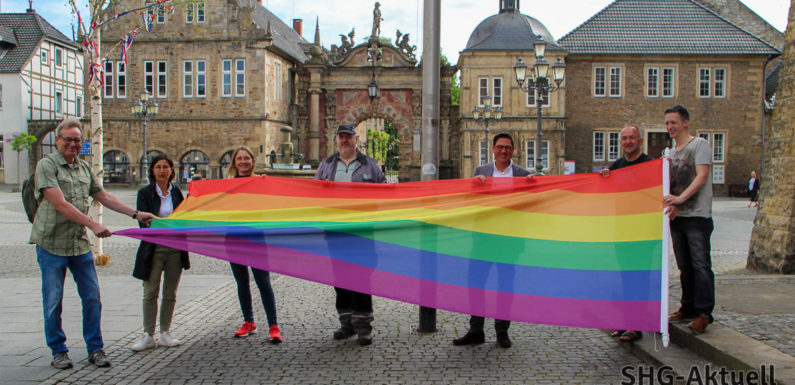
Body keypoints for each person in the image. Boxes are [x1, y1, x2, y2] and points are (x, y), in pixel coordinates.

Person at [30, 118, 157, 369]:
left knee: (92, 298)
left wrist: (135, 214)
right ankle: (58, 350)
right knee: (53, 300)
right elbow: (59, 204)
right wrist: (93, 224)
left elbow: (102, 195)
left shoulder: (84, 169)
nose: (73, 144)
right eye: (68, 139)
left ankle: (95, 349)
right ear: (57, 141)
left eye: (77, 140)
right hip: (51, 244)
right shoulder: (47, 166)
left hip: (78, 245)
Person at [452, 133, 531, 349]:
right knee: (476, 284)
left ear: (513, 150)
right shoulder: (481, 172)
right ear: (493, 149)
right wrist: (474, 186)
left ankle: (502, 332)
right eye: (500, 147)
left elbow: (531, 203)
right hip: (483, 239)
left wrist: (533, 185)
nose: (503, 151)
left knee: (505, 287)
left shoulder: (523, 174)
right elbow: (470, 201)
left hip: (509, 239)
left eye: (507, 147)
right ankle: (476, 330)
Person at [315, 124, 386, 346]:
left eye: (348, 137)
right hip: (335, 234)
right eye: (341, 137)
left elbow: (384, 193)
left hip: (362, 234)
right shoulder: (326, 166)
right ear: (336, 140)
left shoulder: (370, 166)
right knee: (341, 279)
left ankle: (364, 327)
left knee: (362, 279)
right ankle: (346, 324)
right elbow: (312, 195)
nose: (345, 141)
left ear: (356, 139)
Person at [663, 105, 715, 335]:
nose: (670, 127)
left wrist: (680, 199)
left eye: (673, 122)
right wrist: (670, 204)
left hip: (697, 216)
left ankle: (704, 313)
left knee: (701, 265)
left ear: (685, 122)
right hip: (678, 218)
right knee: (684, 267)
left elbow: (702, 176)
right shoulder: (669, 153)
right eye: (667, 123)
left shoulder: (699, 145)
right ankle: (687, 307)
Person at [599, 125, 655, 343]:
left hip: (643, 232)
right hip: (623, 231)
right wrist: (604, 177)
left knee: (639, 278)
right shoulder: (618, 166)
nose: (628, 142)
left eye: (632, 138)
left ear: (640, 141)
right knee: (625, 278)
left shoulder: (650, 165)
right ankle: (625, 321)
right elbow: (606, 193)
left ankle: (636, 325)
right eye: (624, 139)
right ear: (620, 142)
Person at [130, 153, 190, 351]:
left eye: (165, 167)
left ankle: (165, 331)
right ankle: (148, 334)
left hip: (175, 249)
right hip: (153, 249)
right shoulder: (145, 193)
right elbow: (143, 222)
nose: (162, 171)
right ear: (152, 171)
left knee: (170, 292)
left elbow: (183, 217)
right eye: (158, 167)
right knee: (150, 292)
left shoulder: (176, 192)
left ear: (172, 170)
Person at [227, 146, 282, 343]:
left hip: (257, 239)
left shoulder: (260, 182)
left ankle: (273, 325)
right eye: (239, 158)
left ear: (252, 161)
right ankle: (248, 321)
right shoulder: (227, 186)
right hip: (233, 239)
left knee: (263, 283)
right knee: (242, 283)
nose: (243, 161)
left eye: (246, 158)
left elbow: (274, 204)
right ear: (234, 162)